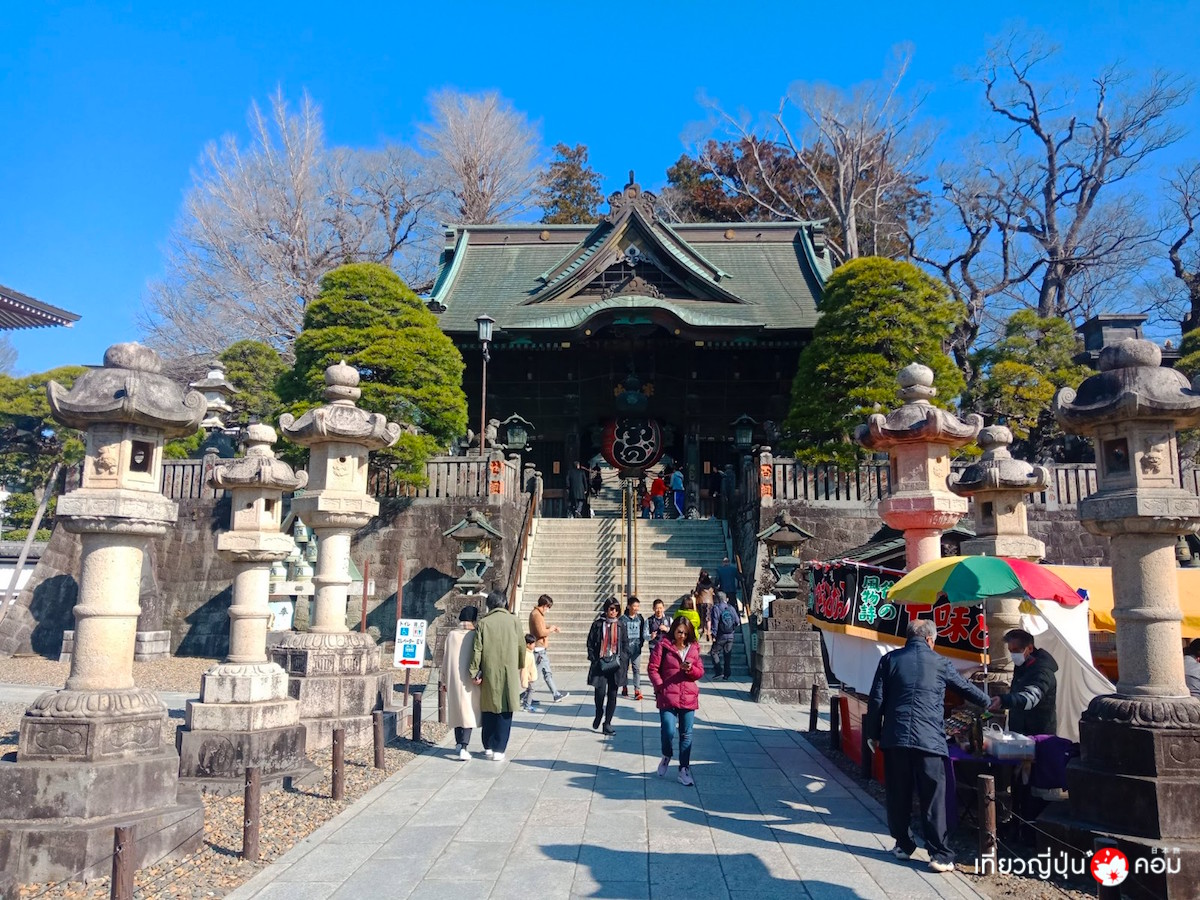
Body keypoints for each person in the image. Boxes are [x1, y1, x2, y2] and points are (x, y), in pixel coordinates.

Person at [865, 619, 991, 874]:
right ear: (930, 639)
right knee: (933, 796)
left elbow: (876, 699)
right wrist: (988, 700)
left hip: (896, 737)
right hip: (929, 740)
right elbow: (965, 688)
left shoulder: (889, 660)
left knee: (898, 793)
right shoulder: (941, 662)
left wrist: (873, 733)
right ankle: (939, 854)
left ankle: (903, 844)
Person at [469, 590, 526, 762]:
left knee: (489, 707)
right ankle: (500, 748)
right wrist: (520, 664)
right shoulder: (514, 621)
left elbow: (477, 649)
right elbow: (521, 646)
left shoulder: (484, 623)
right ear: (504, 603)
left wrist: (474, 670)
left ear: (490, 605)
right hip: (509, 669)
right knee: (505, 708)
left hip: (489, 669)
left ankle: (488, 745)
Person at [648, 615, 704, 786]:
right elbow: (652, 668)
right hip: (668, 695)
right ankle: (666, 755)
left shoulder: (693, 648)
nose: (682, 636)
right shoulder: (664, 646)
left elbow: (700, 672)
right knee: (668, 730)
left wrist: (690, 669)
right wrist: (660, 687)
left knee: (686, 734)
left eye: (686, 633)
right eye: (680, 632)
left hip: (688, 695)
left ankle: (684, 769)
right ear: (674, 631)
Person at [988, 629, 1058, 736]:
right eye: (1010, 651)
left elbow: (1030, 698)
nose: (1013, 655)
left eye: (1016, 650)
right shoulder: (1022, 666)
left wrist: (1003, 700)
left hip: (1038, 734)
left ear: (1029, 648)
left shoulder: (1043, 671)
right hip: (1019, 731)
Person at [443, 605, 482, 761]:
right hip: (469, 679)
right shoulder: (474, 635)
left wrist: (443, 679)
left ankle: (459, 742)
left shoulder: (451, 635)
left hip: (453, 678)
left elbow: (445, 659)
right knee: (468, 711)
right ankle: (464, 747)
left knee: (457, 710)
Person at [586, 597, 628, 735]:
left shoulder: (621, 625)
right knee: (599, 692)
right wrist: (594, 658)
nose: (614, 612)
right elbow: (590, 642)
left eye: (616, 609)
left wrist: (623, 658)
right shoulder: (598, 624)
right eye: (611, 609)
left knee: (613, 694)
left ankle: (607, 723)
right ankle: (599, 712)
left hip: (616, 664)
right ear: (606, 609)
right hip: (601, 663)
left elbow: (625, 644)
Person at [528, 594, 569, 703]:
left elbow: (541, 627)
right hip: (539, 648)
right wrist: (550, 629)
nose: (548, 610)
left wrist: (552, 627)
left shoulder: (537, 614)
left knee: (545, 673)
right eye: (548, 607)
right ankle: (527, 697)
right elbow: (540, 632)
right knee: (538, 674)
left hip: (540, 648)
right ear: (545, 605)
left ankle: (555, 694)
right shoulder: (536, 615)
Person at [619, 597, 647, 701]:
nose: (636, 608)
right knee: (624, 669)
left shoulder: (640, 618)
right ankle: (624, 687)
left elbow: (642, 632)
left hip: (636, 648)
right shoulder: (622, 619)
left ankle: (637, 690)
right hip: (625, 649)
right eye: (634, 606)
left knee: (636, 669)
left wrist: (640, 644)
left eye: (637, 606)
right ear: (628, 606)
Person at [709, 591, 741, 681]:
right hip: (730, 635)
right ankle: (727, 674)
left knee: (714, 652)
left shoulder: (716, 608)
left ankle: (719, 671)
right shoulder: (731, 607)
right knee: (727, 655)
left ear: (717, 599)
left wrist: (713, 634)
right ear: (726, 598)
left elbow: (715, 622)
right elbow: (737, 621)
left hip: (721, 635)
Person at [520, 633, 542, 712]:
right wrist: (524, 681)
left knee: (529, 690)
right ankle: (527, 705)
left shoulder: (530, 652)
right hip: (529, 677)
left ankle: (522, 700)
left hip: (531, 676)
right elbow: (524, 669)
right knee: (531, 690)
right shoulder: (527, 655)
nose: (534, 645)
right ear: (528, 644)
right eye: (533, 644)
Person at [695, 570, 715, 642]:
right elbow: (714, 591)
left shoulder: (699, 584)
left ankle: (703, 629)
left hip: (701, 601)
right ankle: (708, 631)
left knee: (702, 616)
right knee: (708, 617)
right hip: (709, 602)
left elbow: (696, 592)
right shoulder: (711, 584)